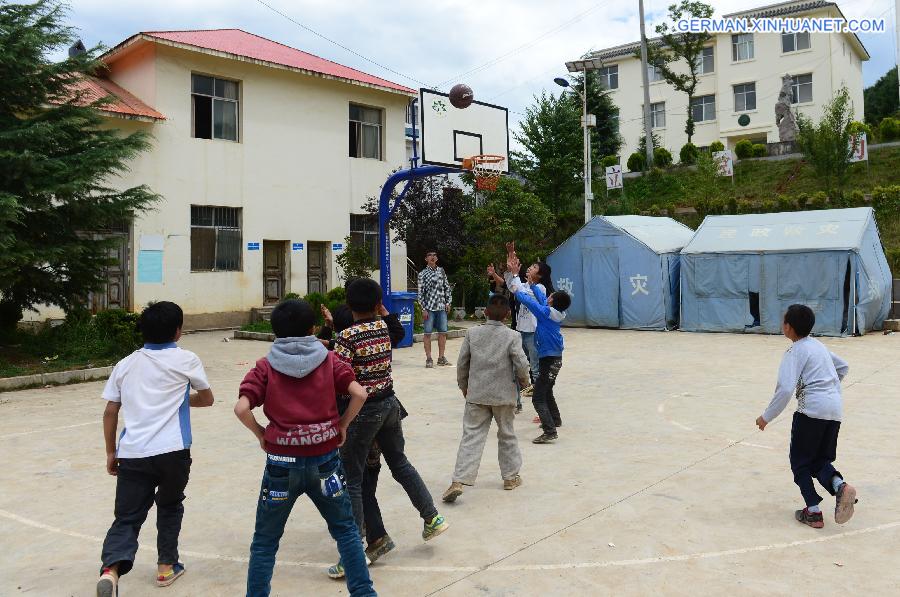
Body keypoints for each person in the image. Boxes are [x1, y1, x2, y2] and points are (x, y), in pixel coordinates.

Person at [234, 299, 375, 596]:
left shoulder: (266, 365)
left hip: (280, 465)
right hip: (325, 461)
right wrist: (342, 425)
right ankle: (364, 593)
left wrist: (261, 432)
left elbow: (241, 407)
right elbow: (359, 393)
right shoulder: (329, 360)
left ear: (275, 332)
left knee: (265, 541)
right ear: (312, 329)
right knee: (346, 532)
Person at [330, 278, 449, 577]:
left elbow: (337, 376)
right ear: (376, 304)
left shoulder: (346, 337)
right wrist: (383, 311)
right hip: (390, 404)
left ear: (348, 303)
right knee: (400, 464)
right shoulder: (383, 327)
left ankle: (354, 551)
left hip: (362, 411)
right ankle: (431, 517)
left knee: (353, 480)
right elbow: (396, 330)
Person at [96, 301, 215, 596]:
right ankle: (166, 566)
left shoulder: (125, 364)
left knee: (127, 516)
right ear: (178, 331)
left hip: (133, 452)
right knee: (170, 505)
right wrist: (180, 400)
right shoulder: (186, 359)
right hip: (173, 451)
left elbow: (111, 411)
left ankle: (111, 568)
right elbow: (207, 398)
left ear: (142, 330)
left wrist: (111, 451)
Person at [319, 298, 407, 569]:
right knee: (364, 482)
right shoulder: (372, 335)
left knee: (356, 484)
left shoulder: (343, 365)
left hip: (359, 424)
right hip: (379, 420)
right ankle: (373, 532)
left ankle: (369, 539)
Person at [755, 304, 858, 529]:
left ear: (789, 328)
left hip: (811, 411)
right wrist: (828, 389)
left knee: (800, 462)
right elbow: (843, 367)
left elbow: (784, 389)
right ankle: (840, 486)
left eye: (783, 321)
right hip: (834, 410)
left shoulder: (795, 351)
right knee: (820, 460)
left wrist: (766, 417)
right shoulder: (818, 346)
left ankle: (813, 511)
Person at [442, 294, 531, 503]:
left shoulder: (472, 333)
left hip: (477, 393)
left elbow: (462, 363)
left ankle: (458, 480)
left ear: (486, 312)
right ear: (508, 314)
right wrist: (525, 382)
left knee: (471, 436)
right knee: (507, 434)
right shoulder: (512, 336)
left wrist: (464, 386)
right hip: (504, 395)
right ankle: (510, 478)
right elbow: (521, 362)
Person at [504, 252, 571, 444]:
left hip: (549, 359)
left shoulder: (544, 313)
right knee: (547, 389)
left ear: (552, 301)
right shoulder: (553, 311)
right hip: (553, 358)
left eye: (550, 295)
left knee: (538, 398)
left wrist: (517, 278)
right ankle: (555, 419)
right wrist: (530, 281)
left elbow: (528, 300)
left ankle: (549, 431)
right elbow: (540, 296)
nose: (548, 295)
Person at [417, 250, 453, 368]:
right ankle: (429, 358)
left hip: (441, 307)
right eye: (429, 255)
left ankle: (441, 358)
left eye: (434, 255)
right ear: (426, 259)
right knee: (427, 333)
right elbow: (420, 293)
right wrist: (423, 308)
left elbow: (447, 288)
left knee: (442, 333)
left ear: (437, 258)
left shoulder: (441, 271)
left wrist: (448, 302)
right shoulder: (422, 274)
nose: (432, 257)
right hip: (429, 308)